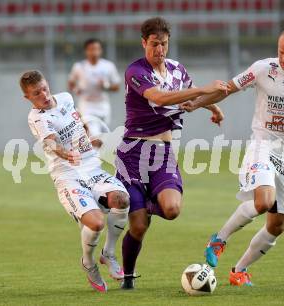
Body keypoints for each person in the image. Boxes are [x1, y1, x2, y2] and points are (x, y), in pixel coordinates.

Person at [182, 28, 284, 286]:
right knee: (263, 201)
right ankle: (219, 239)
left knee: (278, 225)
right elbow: (227, 89)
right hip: (263, 144)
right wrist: (198, 103)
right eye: (281, 52)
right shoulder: (262, 69)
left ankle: (239, 270)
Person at [115, 17, 227, 290]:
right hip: (133, 154)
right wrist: (203, 90)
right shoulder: (136, 71)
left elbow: (188, 98)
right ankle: (128, 277)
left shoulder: (177, 70)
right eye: (154, 44)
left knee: (173, 209)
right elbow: (161, 98)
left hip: (164, 152)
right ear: (144, 43)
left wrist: (212, 107)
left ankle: (148, 204)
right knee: (139, 227)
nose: (159, 50)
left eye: (164, 44)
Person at [21, 70, 130, 292]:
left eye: (44, 88)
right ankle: (88, 262)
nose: (43, 95)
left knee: (122, 199)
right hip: (67, 176)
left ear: (47, 83)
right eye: (36, 93)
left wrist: (89, 137)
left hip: (91, 167)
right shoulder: (37, 118)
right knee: (96, 222)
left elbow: (77, 118)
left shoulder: (65, 98)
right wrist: (65, 154)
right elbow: (50, 143)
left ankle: (108, 253)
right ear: (28, 98)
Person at [68, 38, 120, 139]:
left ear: (101, 50)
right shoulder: (79, 66)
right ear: (86, 51)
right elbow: (71, 83)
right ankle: (93, 152)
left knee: (101, 135)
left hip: (103, 105)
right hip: (86, 105)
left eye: (97, 49)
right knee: (92, 132)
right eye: (91, 49)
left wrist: (106, 86)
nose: (94, 52)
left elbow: (116, 86)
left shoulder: (108, 66)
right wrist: (76, 89)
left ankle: (95, 152)